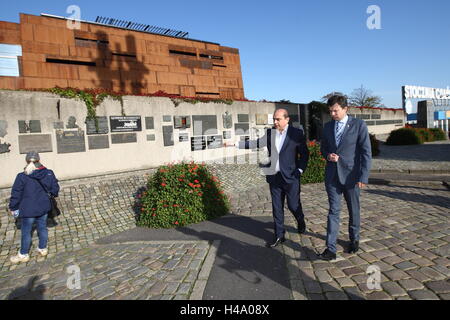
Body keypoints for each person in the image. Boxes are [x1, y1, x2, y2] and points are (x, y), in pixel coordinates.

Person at [226, 108, 310, 247]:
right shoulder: (270, 133)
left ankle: (300, 220)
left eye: (278, 119)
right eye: (274, 119)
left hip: (291, 177)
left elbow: (304, 154)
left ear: (287, 119)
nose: (275, 122)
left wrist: (299, 170)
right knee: (277, 207)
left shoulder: (296, 134)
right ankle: (279, 236)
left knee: (293, 205)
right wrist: (235, 144)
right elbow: (256, 143)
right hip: (274, 177)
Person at [318, 95, 372, 261]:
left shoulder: (358, 125)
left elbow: (366, 152)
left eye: (336, 110)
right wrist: (328, 155)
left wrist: (363, 175)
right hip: (333, 176)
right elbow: (323, 148)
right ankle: (331, 248)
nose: (333, 113)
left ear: (345, 108)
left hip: (351, 176)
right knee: (333, 211)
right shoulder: (327, 127)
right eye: (330, 111)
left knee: (353, 210)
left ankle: (354, 239)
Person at [8, 151, 60, 263]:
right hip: (43, 207)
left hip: (28, 209)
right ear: (39, 160)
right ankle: (42, 248)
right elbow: (55, 190)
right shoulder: (48, 173)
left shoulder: (22, 176)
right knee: (42, 227)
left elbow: (16, 194)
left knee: (26, 232)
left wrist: (13, 207)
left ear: (27, 161)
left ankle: (23, 254)